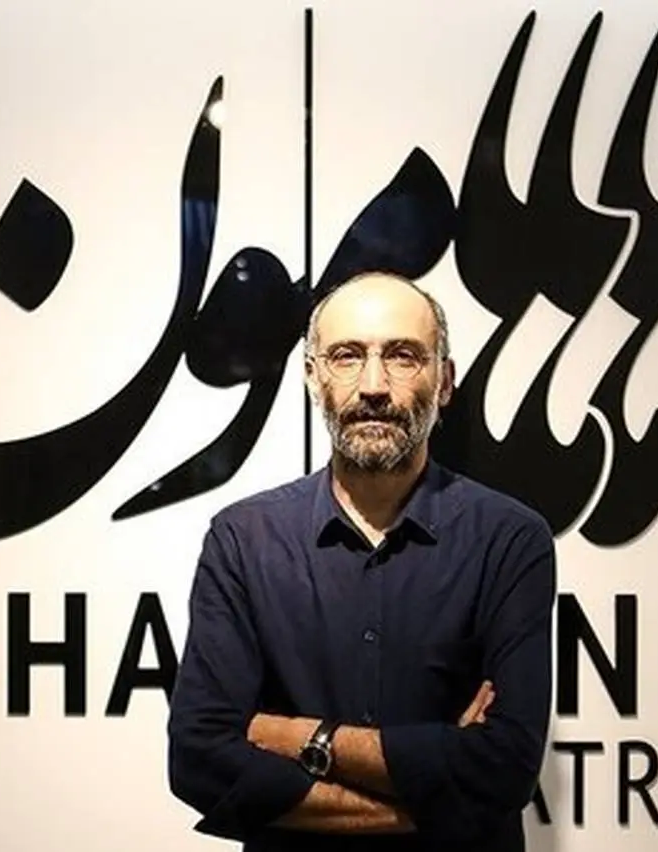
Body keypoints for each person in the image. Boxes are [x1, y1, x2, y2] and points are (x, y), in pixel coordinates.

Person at [167, 272, 556, 851]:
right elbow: (199, 759)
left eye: (403, 356)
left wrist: (299, 737)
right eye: (347, 356)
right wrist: (435, 798)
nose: (374, 385)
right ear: (312, 377)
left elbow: (505, 767)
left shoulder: (509, 539)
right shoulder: (243, 540)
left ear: (445, 381)